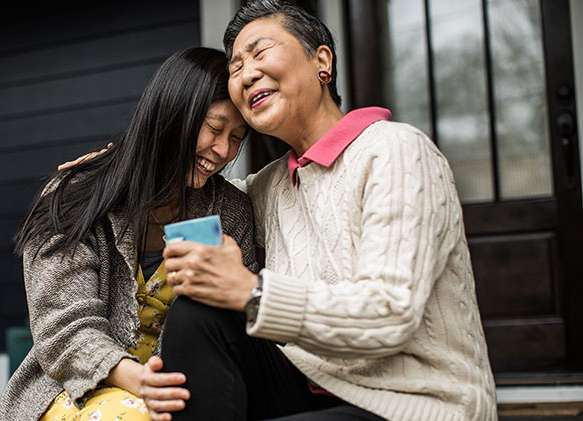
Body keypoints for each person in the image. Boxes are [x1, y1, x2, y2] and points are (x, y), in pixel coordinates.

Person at [141, 1, 498, 420]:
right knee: (197, 310)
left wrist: (252, 293)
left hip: (415, 403)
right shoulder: (270, 185)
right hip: (309, 388)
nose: (246, 73)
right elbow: (186, 186)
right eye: (235, 67)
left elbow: (390, 313)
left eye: (259, 53)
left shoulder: (396, 150)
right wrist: (114, 169)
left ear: (322, 61)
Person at [0, 47, 258, 421]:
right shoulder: (75, 197)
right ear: (172, 114)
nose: (223, 150)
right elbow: (64, 328)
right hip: (74, 389)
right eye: (214, 129)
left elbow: (237, 326)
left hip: (184, 388)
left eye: (237, 137)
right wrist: (140, 380)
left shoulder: (230, 212)